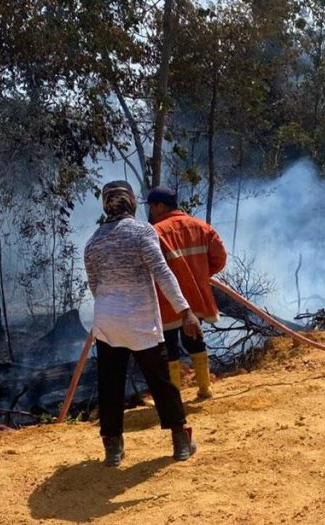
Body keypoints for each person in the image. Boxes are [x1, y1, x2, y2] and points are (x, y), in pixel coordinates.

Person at [84, 180, 201, 466]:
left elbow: (94, 286)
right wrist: (185, 310)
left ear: (106, 205)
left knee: (110, 385)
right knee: (161, 382)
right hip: (140, 321)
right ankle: (180, 440)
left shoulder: (94, 241)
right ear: (131, 203)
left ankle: (113, 448)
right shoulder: (141, 231)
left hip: (107, 322)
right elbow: (161, 272)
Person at [147, 187, 227, 400]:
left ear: (160, 206)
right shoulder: (202, 227)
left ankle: (174, 396)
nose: (152, 212)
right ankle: (205, 388)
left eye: (152, 207)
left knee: (169, 347)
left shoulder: (154, 233)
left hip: (168, 302)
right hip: (197, 298)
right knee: (195, 340)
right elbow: (220, 258)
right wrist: (201, 275)